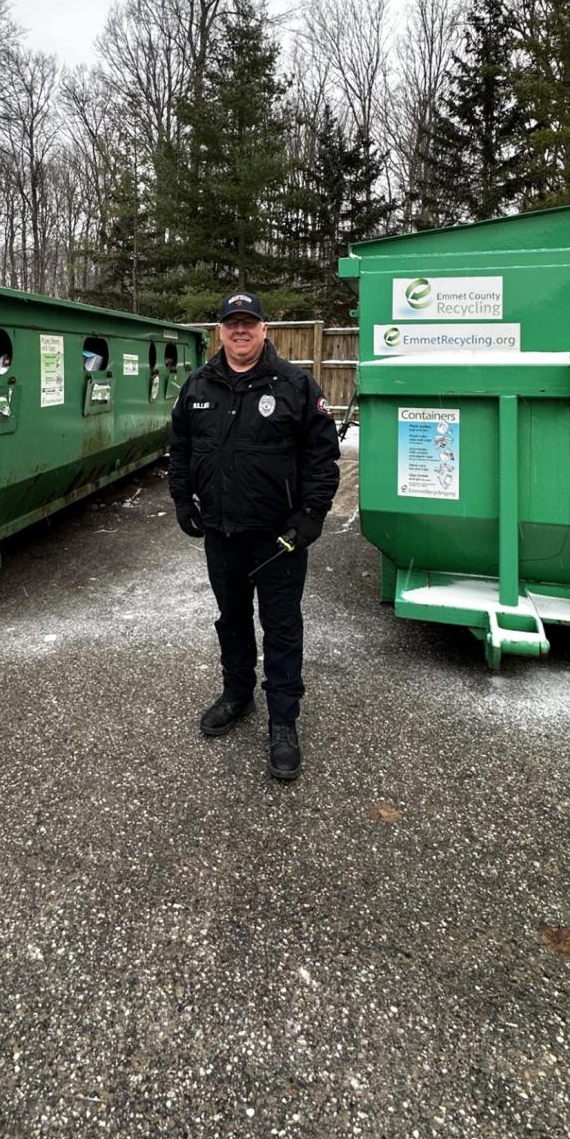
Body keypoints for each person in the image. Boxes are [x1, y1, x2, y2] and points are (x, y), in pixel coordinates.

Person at [168, 291, 341, 781]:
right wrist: (183, 500)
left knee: (282, 627)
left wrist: (310, 515)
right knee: (233, 620)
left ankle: (283, 721)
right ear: (219, 331)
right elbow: (179, 448)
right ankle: (237, 694)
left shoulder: (294, 385)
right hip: (222, 535)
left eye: (249, 323)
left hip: (278, 538)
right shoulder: (198, 385)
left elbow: (322, 458)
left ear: (265, 329)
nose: (239, 331)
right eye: (230, 323)